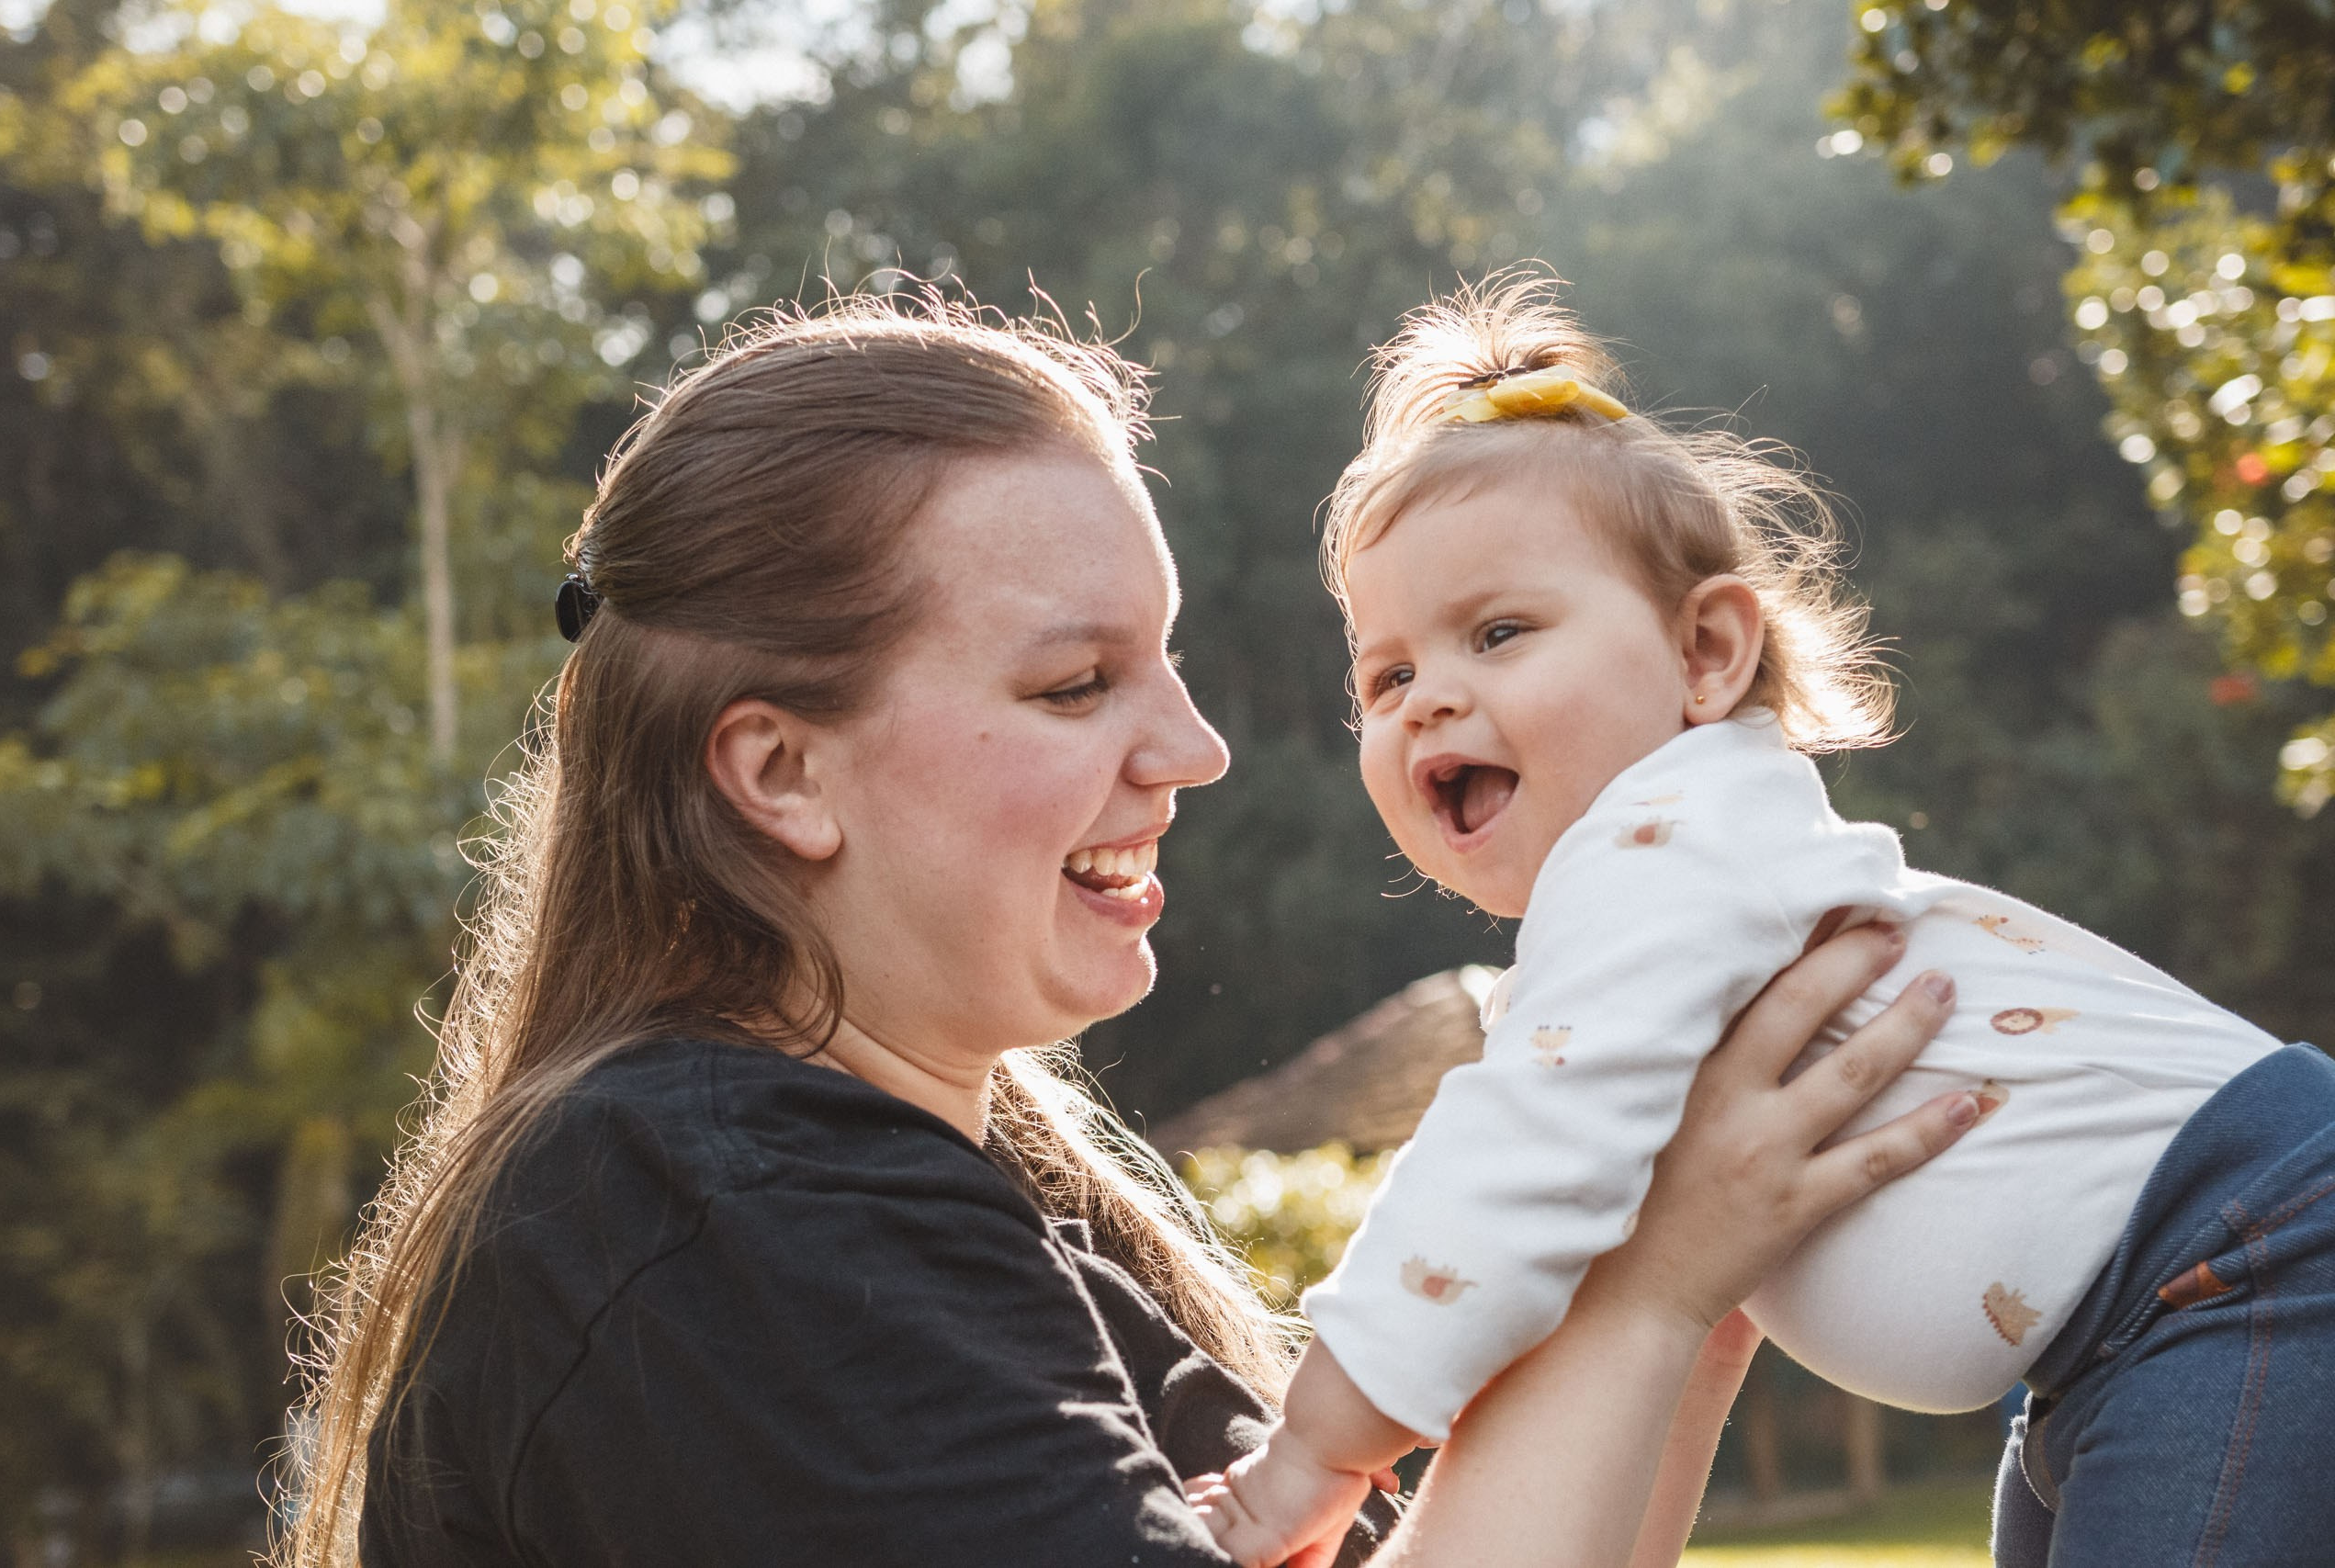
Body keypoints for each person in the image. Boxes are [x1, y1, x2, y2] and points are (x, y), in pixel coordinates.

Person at [276, 294, 1974, 1568]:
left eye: (1162, 664)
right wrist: (1654, 1292)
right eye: (1077, 682)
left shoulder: (959, 1222)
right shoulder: (726, 1218)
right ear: (780, 769)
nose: (1196, 750)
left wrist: (1678, 1296)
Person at [1192, 276, 2335, 1568]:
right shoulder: (1659, 906)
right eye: (1387, 673)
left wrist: (1315, 1448)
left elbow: (1501, 1176)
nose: (1428, 700)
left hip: (2239, 1268)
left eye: (1499, 632)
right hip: (2137, 1331)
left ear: (1705, 656)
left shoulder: (1666, 845)